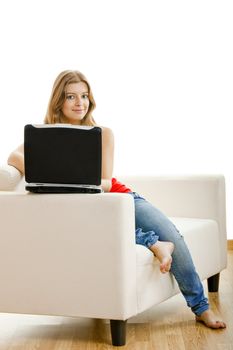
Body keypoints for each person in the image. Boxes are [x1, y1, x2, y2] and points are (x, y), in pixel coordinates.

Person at [8, 70, 226, 329]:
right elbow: (13, 158)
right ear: (59, 101)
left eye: (84, 96)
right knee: (99, 226)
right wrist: (54, 168)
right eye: (71, 97)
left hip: (119, 199)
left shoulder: (103, 133)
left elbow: (106, 182)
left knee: (174, 236)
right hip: (85, 211)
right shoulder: (44, 136)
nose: (80, 103)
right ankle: (154, 243)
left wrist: (61, 176)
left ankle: (200, 307)